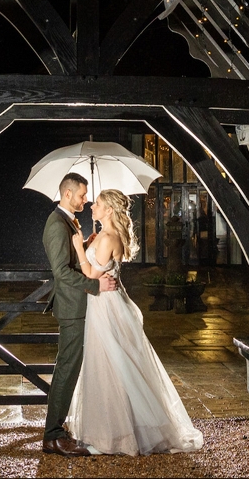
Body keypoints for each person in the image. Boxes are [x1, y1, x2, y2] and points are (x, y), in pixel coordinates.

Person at [68, 188, 205, 456]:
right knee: (113, 363)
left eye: (97, 203)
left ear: (108, 210)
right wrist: (89, 243)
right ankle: (114, 428)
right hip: (108, 303)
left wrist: (78, 248)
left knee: (111, 363)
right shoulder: (105, 236)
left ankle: (116, 435)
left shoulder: (108, 237)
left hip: (106, 307)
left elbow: (91, 273)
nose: (92, 206)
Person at [41, 172, 117, 457]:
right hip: (72, 308)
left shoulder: (69, 221)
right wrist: (95, 285)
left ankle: (57, 429)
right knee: (67, 368)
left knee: (71, 367)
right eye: (83, 195)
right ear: (68, 193)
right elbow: (61, 272)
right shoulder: (56, 224)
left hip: (80, 306)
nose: (86, 200)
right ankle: (53, 435)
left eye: (87, 197)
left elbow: (72, 260)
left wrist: (86, 246)